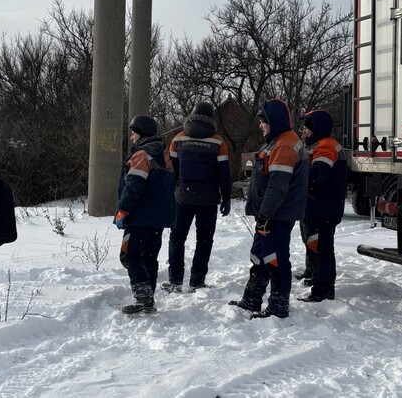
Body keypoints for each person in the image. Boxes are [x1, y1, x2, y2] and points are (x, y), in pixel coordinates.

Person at [229, 99, 308, 319]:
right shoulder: (277, 142)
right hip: (270, 214)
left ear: (273, 121)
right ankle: (252, 298)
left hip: (276, 215)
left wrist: (266, 215)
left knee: (274, 258)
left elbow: (278, 186)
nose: (260, 126)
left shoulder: (284, 145)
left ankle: (278, 306)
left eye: (263, 121)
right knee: (259, 255)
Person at [161, 102, 232, 293]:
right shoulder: (218, 142)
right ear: (211, 119)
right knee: (204, 240)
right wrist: (226, 197)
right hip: (208, 200)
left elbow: (171, 171)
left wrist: (173, 193)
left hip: (182, 198)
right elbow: (224, 173)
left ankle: (175, 281)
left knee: (177, 239)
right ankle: (197, 282)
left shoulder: (178, 139)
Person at [115, 115, 176, 314]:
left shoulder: (142, 155)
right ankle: (148, 296)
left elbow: (133, 187)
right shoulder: (165, 153)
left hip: (140, 216)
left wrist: (123, 211)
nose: (132, 137)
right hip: (159, 218)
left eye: (134, 133)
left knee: (130, 255)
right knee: (150, 256)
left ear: (141, 133)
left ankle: (143, 297)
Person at [297, 110, 347, 302]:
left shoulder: (326, 146)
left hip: (323, 208)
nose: (304, 132)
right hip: (320, 207)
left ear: (317, 128)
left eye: (307, 128)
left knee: (321, 250)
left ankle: (322, 291)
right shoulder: (318, 145)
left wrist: (297, 174)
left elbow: (318, 175)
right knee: (321, 249)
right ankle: (324, 286)